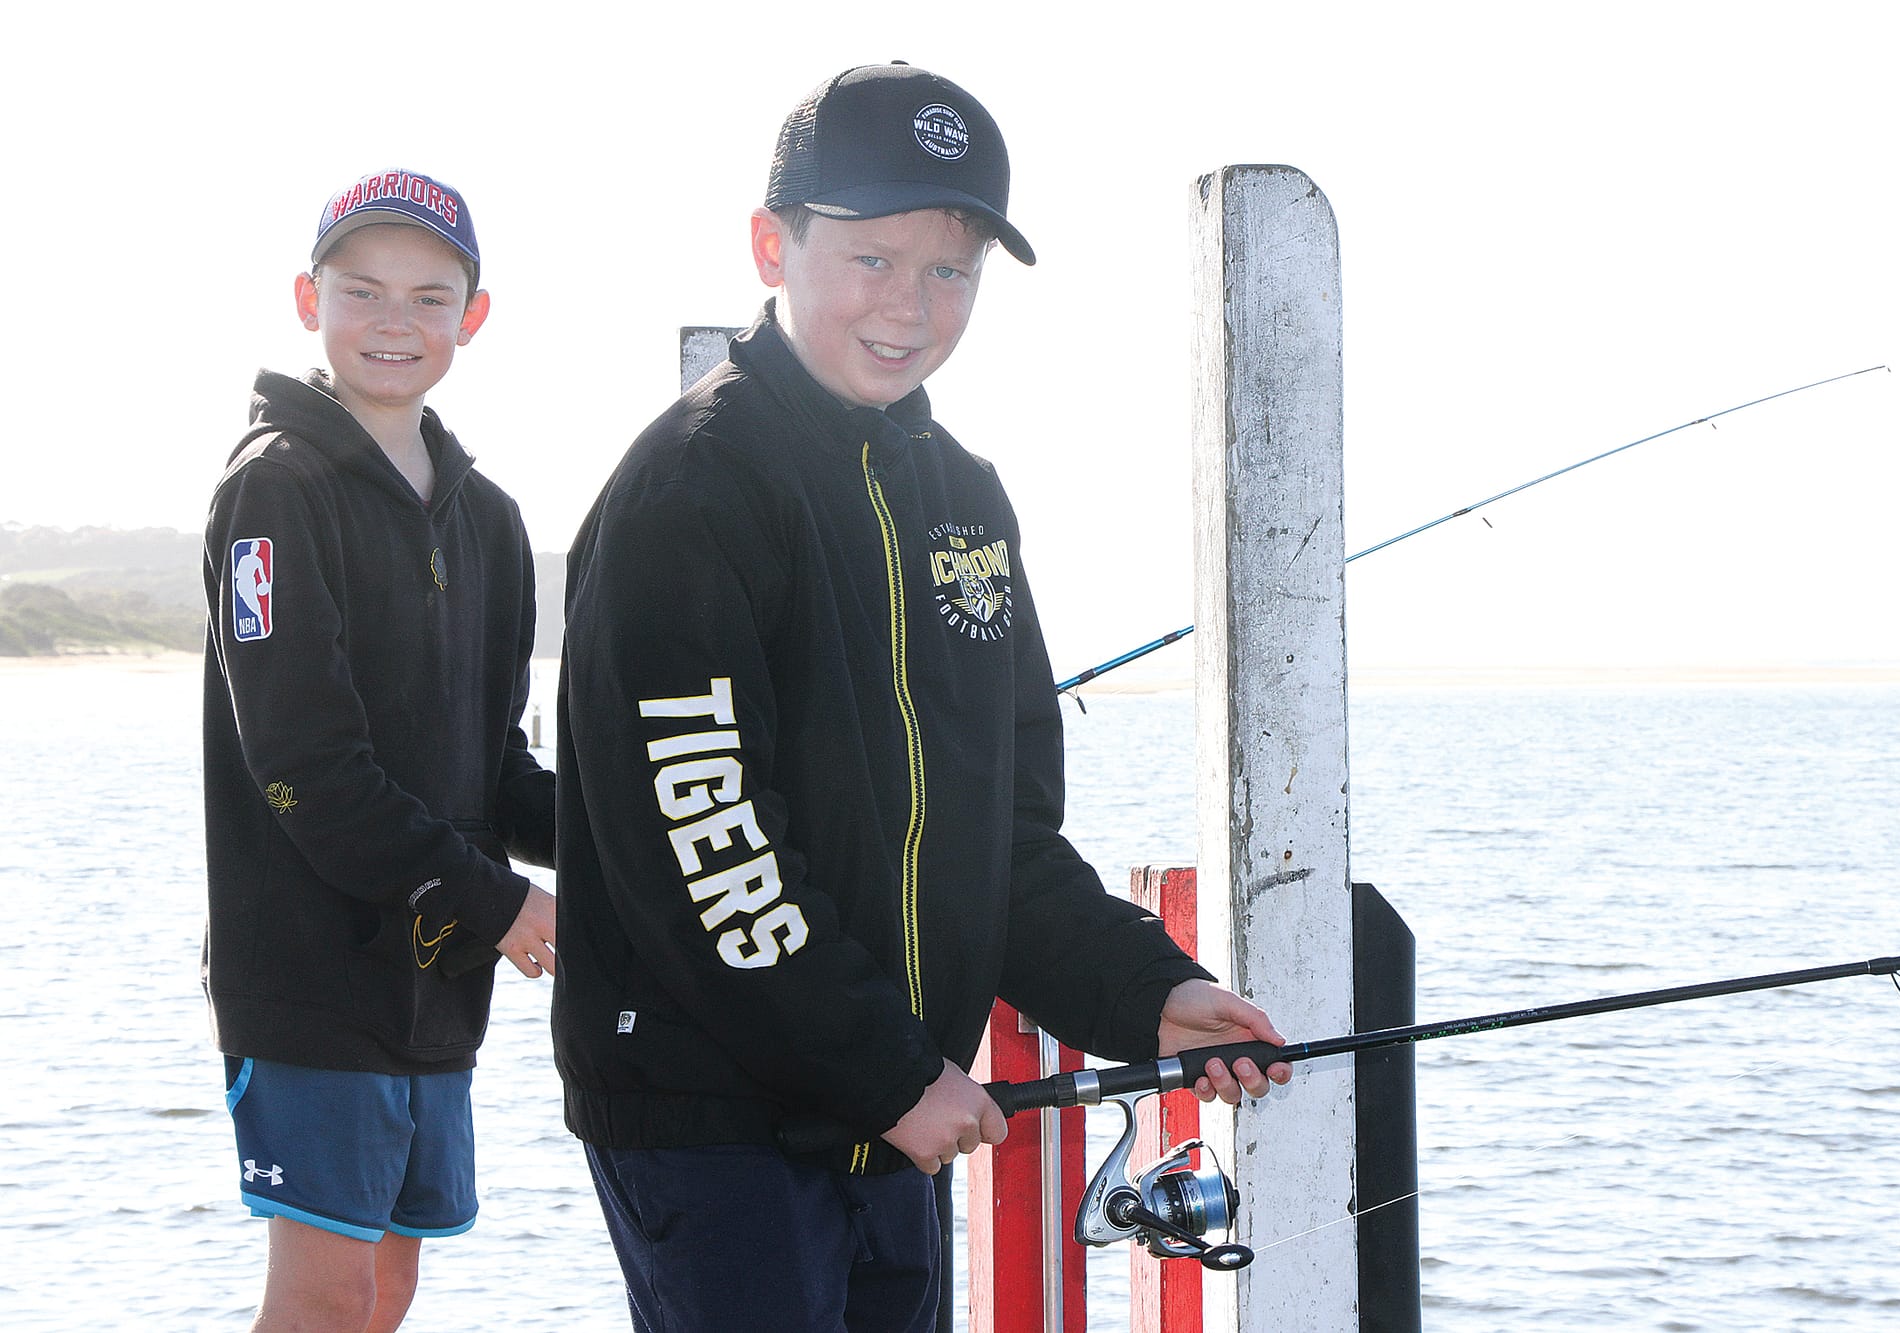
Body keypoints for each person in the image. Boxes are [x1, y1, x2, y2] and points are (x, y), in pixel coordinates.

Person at [552, 64, 1289, 1331]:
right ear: (769, 244)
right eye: (872, 257)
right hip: (714, 1117)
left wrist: (1142, 993)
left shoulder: (964, 498)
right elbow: (706, 843)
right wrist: (888, 1070)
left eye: (949, 271)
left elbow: (997, 838)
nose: (909, 304)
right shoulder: (691, 488)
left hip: (889, 1114)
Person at [201, 168, 558, 1333]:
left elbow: (494, 768)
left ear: (474, 314)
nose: (394, 322)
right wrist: (500, 904)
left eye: (427, 295)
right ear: (309, 299)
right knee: (324, 1295)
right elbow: (302, 761)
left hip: (433, 974)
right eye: (362, 292)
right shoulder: (274, 487)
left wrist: (631, 843)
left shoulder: (492, 520)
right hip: (308, 967)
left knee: (390, 1284)